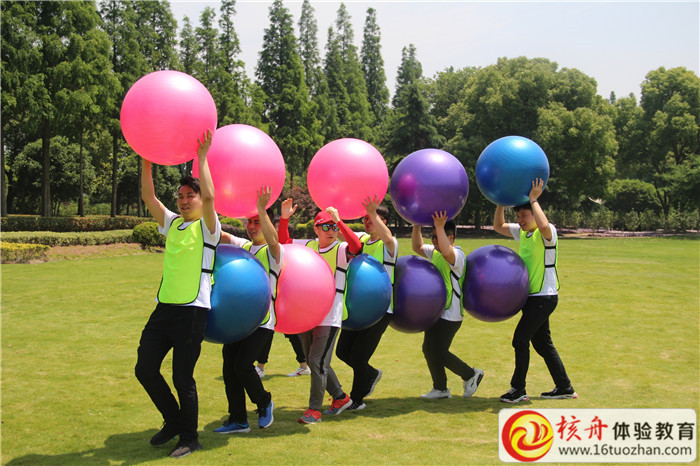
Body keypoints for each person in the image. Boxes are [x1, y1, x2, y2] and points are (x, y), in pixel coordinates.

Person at [135, 129, 217, 459]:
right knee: (144, 369)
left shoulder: (209, 228)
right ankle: (172, 420)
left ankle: (190, 437)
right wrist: (146, 162)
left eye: (189, 196)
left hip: (192, 310)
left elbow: (210, 199)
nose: (183, 200)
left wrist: (202, 157)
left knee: (183, 377)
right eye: (180, 196)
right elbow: (149, 198)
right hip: (164, 309)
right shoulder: (171, 223)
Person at [493, 178, 577, 403]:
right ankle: (565, 387)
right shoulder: (523, 233)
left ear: (534, 213)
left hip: (544, 297)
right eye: (518, 216)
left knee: (520, 340)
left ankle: (518, 389)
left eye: (524, 215)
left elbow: (544, 226)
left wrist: (533, 199)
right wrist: (500, 202)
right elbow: (499, 226)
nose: (520, 220)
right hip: (531, 298)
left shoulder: (547, 233)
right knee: (542, 344)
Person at [278, 200, 362, 424]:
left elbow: (356, 246)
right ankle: (340, 398)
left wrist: (340, 221)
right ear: (316, 229)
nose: (331, 231)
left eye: (333, 227)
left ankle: (314, 410)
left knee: (316, 361)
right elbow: (284, 244)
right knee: (314, 359)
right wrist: (284, 219)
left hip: (329, 315)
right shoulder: (309, 247)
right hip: (306, 313)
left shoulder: (341, 249)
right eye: (326, 226)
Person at [213, 187, 279, 433]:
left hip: (261, 321)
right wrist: (209, 203)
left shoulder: (274, 252)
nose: (251, 226)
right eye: (249, 222)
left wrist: (262, 209)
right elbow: (219, 234)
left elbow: (274, 240)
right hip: (237, 319)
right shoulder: (244, 246)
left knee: (242, 365)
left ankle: (264, 401)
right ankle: (238, 419)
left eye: (257, 222)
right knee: (229, 369)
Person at [412, 211, 483, 400]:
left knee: (438, 351)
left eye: (439, 236)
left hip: (451, 313)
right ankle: (441, 389)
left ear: (450, 237)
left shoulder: (457, 255)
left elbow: (446, 252)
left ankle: (471, 374)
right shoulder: (436, 252)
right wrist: (416, 223)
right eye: (433, 236)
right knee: (429, 350)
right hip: (436, 312)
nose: (434, 240)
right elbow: (417, 247)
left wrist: (439, 226)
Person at [335, 197, 398, 411]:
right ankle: (371, 374)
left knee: (359, 356)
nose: (367, 221)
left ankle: (357, 399)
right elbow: (344, 237)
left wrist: (372, 212)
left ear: (383, 221)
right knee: (342, 352)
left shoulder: (389, 244)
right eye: (365, 218)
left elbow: (387, 237)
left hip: (380, 309)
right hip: (356, 308)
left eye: (372, 217)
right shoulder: (362, 240)